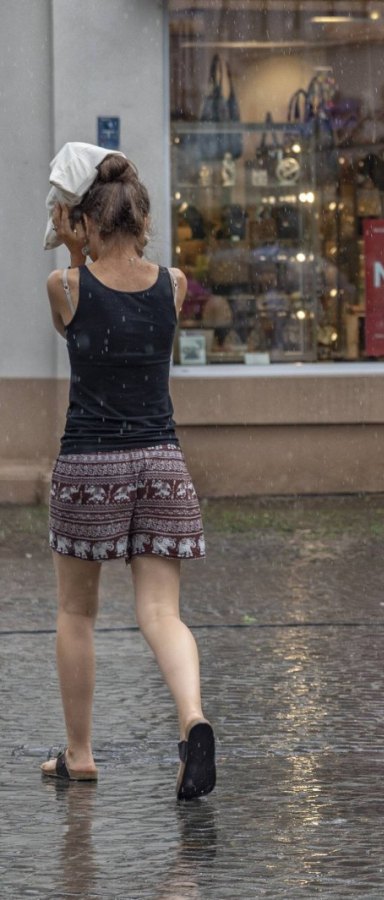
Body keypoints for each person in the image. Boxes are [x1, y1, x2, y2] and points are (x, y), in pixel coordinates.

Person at [41, 153, 215, 801]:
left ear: (84, 221)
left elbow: (75, 308)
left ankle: (80, 754)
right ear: (142, 219)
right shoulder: (174, 283)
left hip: (90, 462)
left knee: (76, 612)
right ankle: (192, 719)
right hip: (162, 464)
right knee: (162, 613)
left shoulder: (67, 286)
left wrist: (68, 237)